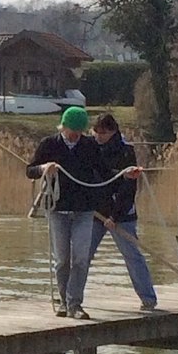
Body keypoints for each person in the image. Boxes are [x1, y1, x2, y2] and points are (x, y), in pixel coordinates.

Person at [25, 104, 112, 319]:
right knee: (62, 259)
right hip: (58, 210)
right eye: (73, 132)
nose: (75, 136)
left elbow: (104, 172)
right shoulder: (49, 144)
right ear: (63, 127)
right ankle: (63, 301)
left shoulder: (90, 146)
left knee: (81, 258)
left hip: (84, 211)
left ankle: (76, 304)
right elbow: (29, 171)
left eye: (79, 132)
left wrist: (126, 174)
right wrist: (43, 169)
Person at [86, 111, 159, 313]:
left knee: (132, 255)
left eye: (103, 133)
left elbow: (128, 190)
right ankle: (70, 296)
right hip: (96, 211)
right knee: (82, 255)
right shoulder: (90, 147)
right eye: (96, 132)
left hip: (121, 213)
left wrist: (114, 217)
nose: (98, 136)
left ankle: (148, 298)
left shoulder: (126, 151)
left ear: (113, 131)